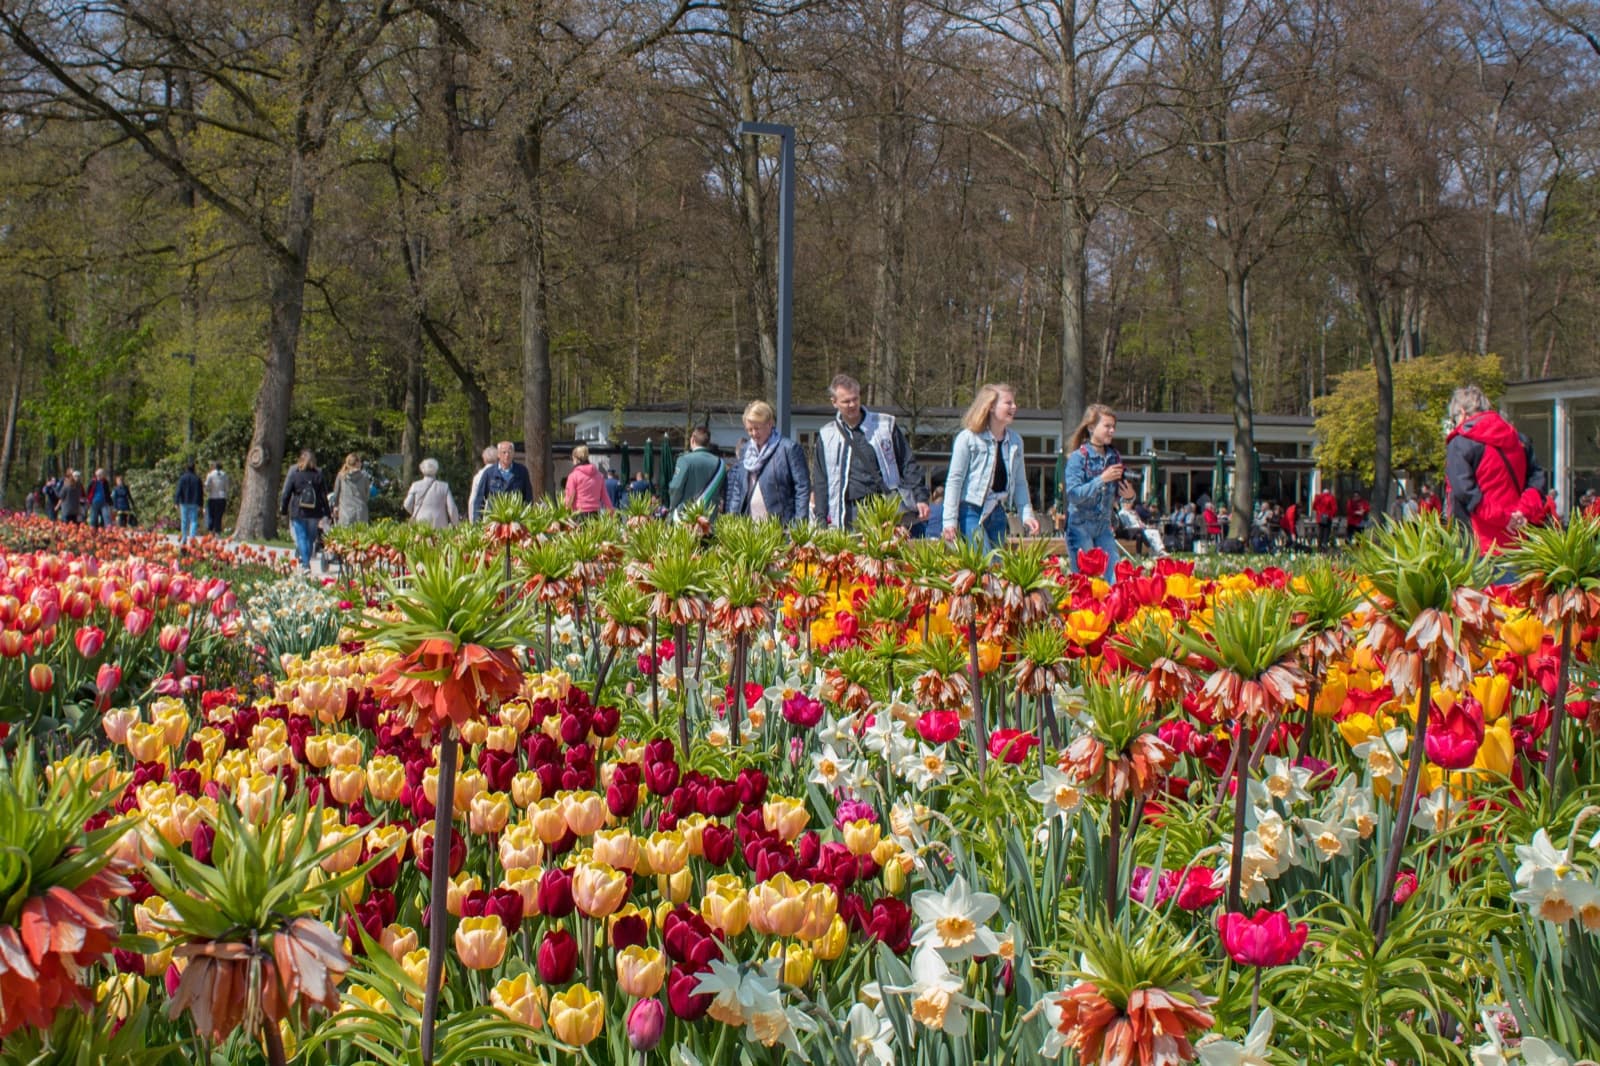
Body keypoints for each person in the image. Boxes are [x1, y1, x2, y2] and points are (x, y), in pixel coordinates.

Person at [811, 373, 930, 528]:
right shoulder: (826, 435)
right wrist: (821, 518)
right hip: (848, 512)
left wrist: (920, 496)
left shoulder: (885, 425)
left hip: (885, 505)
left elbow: (908, 463)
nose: (852, 405)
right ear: (834, 402)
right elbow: (821, 481)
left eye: (855, 399)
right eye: (846, 401)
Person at [1444, 384, 1547, 554]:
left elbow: (1465, 492)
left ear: (1462, 413)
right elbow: (1537, 480)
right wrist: (1523, 511)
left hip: (1478, 542)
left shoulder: (1460, 443)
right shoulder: (1519, 440)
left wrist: (1503, 518)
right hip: (1517, 537)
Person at [941, 382, 1039, 550]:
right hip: (971, 511)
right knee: (983, 563)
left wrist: (1027, 515)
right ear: (991, 406)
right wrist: (949, 521)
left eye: (1014, 403)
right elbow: (954, 481)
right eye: (1008, 403)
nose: (1014, 407)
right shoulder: (968, 438)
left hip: (997, 511)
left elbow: (1020, 482)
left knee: (997, 567)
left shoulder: (1015, 442)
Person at [1062, 404, 1136, 581]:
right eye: (1107, 426)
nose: (1112, 431)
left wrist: (1130, 495)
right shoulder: (1078, 458)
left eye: (1113, 427)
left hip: (1104, 526)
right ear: (1091, 427)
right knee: (1083, 581)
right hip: (1080, 526)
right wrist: (1101, 479)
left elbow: (1119, 494)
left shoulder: (1114, 456)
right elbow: (1073, 494)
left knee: (1115, 578)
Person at [724, 400, 811, 524]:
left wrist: (799, 526)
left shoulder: (789, 449)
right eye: (749, 430)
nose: (753, 434)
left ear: (769, 424)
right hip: (748, 524)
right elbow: (738, 489)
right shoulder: (745, 450)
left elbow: (802, 488)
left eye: (757, 428)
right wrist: (731, 521)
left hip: (780, 525)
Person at [279, 450, 329, 570]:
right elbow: (323, 495)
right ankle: (305, 560)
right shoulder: (318, 475)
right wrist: (327, 512)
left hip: (298, 510)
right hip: (314, 511)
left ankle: (305, 564)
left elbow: (286, 493)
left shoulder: (295, 475)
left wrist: (284, 510)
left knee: (301, 536)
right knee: (310, 538)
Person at [667, 426, 727, 514]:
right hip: (709, 518)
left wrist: (672, 507)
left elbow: (675, 488)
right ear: (708, 442)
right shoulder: (720, 463)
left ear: (692, 440)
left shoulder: (684, 460)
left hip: (686, 517)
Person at [470, 441, 535, 519]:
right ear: (498, 454)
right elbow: (479, 500)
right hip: (495, 520)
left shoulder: (522, 471)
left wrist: (527, 518)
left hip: (516, 519)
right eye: (504, 452)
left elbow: (528, 498)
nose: (507, 455)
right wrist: (477, 523)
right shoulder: (489, 473)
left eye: (509, 452)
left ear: (513, 453)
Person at [402, 458, 460, 528]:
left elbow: (407, 504)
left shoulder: (415, 485)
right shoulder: (444, 486)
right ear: (436, 469)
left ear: (422, 470)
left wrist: (416, 511)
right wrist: (455, 524)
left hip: (420, 522)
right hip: (440, 524)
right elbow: (452, 508)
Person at [564, 445, 615, 517]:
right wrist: (611, 510)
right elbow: (605, 495)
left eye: (572, 459)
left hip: (579, 513)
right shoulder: (599, 475)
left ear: (576, 459)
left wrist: (565, 512)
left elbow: (569, 496)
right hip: (595, 514)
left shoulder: (573, 476)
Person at [330, 453, 372, 526]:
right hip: (361, 511)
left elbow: (336, 493)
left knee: (345, 536)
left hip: (345, 511)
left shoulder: (341, 476)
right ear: (357, 463)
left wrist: (335, 506)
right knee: (360, 535)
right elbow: (367, 495)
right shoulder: (365, 476)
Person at [467, 445, 499, 521]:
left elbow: (473, 499)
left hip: (483, 516)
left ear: (484, 459)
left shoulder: (478, 476)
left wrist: (472, 519)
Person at [173, 463, 202, 541]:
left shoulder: (182, 478)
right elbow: (200, 492)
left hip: (184, 502)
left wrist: (176, 501)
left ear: (186, 468)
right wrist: (200, 504)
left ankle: (184, 538)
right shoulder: (197, 478)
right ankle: (192, 538)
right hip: (194, 502)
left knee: (184, 520)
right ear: (194, 468)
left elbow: (178, 490)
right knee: (193, 521)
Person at [204, 462, 230, 534]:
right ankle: (218, 531)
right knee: (219, 515)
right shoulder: (224, 475)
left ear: (215, 467)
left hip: (212, 497)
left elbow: (206, 485)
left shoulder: (210, 474)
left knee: (211, 515)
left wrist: (208, 490)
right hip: (221, 497)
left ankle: (210, 530)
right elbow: (227, 487)